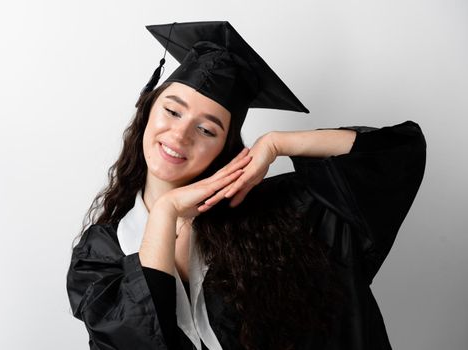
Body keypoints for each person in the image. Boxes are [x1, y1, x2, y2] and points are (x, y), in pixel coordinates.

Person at [66, 21, 426, 350]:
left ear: (225, 147)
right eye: (172, 111)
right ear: (147, 111)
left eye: (207, 129)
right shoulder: (100, 254)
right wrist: (165, 212)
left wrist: (277, 144)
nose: (180, 134)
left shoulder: (278, 217)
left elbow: (394, 155)